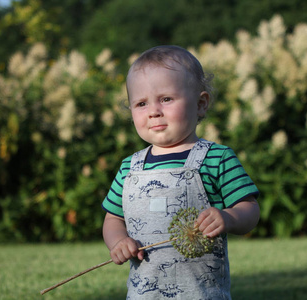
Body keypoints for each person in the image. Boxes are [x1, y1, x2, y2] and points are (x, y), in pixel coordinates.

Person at [102, 45, 260, 299]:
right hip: (144, 293)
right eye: (141, 103)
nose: (154, 111)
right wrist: (118, 242)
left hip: (200, 292)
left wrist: (228, 217)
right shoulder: (129, 168)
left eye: (166, 99)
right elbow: (113, 219)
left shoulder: (216, 158)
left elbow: (250, 209)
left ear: (200, 104)